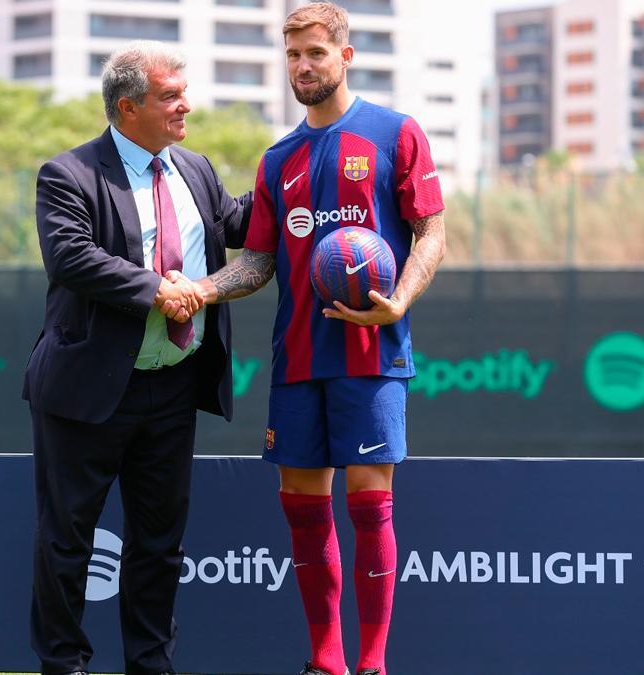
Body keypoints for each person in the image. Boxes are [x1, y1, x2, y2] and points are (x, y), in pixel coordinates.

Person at [187, 4, 446, 674]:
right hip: (297, 358)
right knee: (303, 512)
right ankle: (326, 662)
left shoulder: (395, 134)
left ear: (345, 55)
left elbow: (432, 234)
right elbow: (260, 261)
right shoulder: (278, 159)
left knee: (367, 503)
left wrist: (400, 302)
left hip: (372, 354)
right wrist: (202, 288)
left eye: (315, 54)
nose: (303, 66)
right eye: (293, 55)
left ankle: (372, 663)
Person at [23, 41, 252, 675]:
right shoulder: (68, 174)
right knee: (66, 541)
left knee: (159, 545)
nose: (187, 106)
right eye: (171, 97)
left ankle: (151, 668)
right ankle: (63, 665)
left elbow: (235, 223)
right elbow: (70, 257)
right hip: (87, 390)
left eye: (185, 92)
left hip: (173, 389)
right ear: (128, 106)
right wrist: (158, 291)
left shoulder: (196, 168)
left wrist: (297, 166)